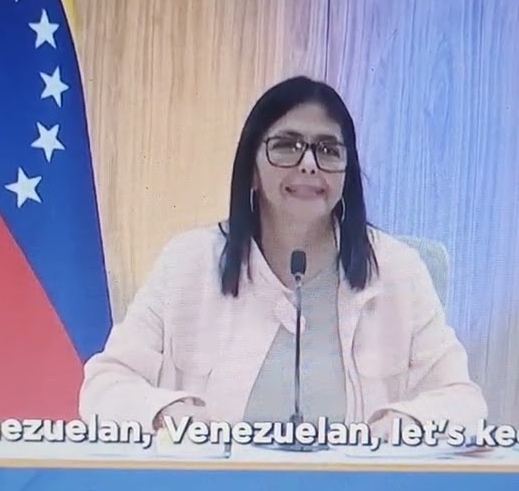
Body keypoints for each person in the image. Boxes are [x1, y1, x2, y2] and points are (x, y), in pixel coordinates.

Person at [78, 76, 487, 439]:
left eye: (328, 150)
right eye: (287, 146)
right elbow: (105, 385)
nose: (308, 164)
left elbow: (463, 401)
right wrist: (167, 415)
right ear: (252, 169)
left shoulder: (399, 271)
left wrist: (404, 426)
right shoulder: (189, 263)